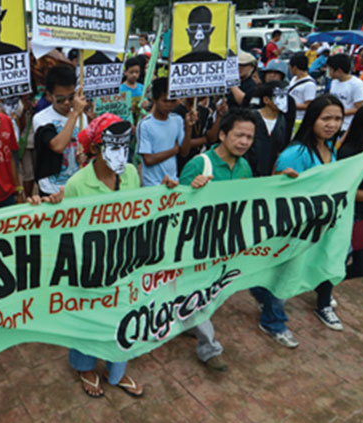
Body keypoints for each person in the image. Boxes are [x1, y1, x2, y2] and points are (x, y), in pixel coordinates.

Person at [64, 114, 147, 398]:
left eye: (125, 147)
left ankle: (117, 369)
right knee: (88, 317)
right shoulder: (77, 184)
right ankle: (85, 367)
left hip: (125, 262)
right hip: (90, 266)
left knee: (123, 314)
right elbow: (68, 231)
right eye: (113, 148)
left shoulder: (132, 173)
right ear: (96, 149)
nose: (120, 155)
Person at [261, 95, 345, 342]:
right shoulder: (296, 153)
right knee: (285, 276)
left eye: (338, 119)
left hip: (316, 226)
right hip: (294, 228)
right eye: (326, 118)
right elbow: (278, 190)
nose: (332, 124)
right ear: (312, 120)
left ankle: (260, 293)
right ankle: (272, 322)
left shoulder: (330, 148)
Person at [178, 108, 258, 371]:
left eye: (249, 137)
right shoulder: (199, 165)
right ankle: (209, 348)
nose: (244, 142)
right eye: (239, 135)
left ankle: (186, 320)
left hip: (226, 244)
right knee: (200, 291)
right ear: (222, 135)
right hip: (197, 246)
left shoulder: (244, 166)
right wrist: (193, 191)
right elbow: (176, 206)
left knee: (208, 293)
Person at [33, 65, 86, 197]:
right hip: (51, 188)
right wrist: (75, 114)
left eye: (71, 97)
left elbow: (85, 145)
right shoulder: (41, 118)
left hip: (76, 185)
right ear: (49, 96)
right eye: (61, 99)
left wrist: (85, 155)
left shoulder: (82, 117)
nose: (67, 102)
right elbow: (57, 146)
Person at [338, 102, 363, 278]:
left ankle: (324, 282)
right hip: (351, 218)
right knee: (338, 262)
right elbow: (348, 192)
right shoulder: (350, 153)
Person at [137, 77, 195, 186]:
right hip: (152, 184)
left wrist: (188, 128)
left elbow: (184, 152)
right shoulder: (145, 124)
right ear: (154, 100)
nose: (169, 105)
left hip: (173, 182)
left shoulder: (177, 120)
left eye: (172, 101)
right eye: (164, 101)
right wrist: (173, 150)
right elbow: (148, 160)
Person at [243, 82, 291, 178]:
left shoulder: (282, 120)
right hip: (248, 172)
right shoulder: (250, 117)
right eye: (279, 97)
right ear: (266, 100)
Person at [327, 53, 363, 133]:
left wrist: (339, 113)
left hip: (346, 126)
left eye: (330, 70)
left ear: (339, 71)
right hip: (332, 122)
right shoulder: (334, 82)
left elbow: (358, 108)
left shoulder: (357, 84)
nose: (329, 72)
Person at [288, 54, 317, 126]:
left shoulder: (309, 84)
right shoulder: (294, 79)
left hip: (299, 119)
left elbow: (308, 105)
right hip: (290, 116)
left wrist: (290, 105)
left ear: (294, 67)